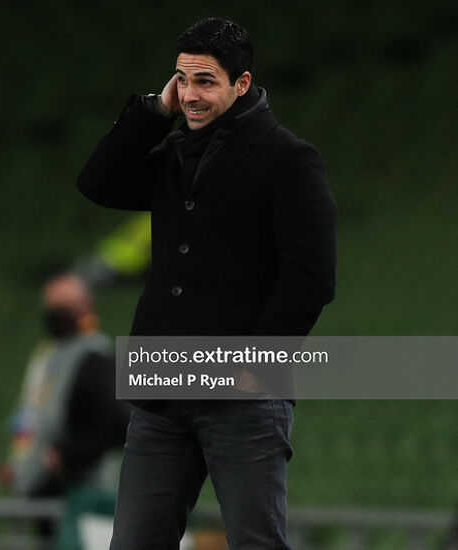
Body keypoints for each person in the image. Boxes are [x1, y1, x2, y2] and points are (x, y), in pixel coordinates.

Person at [76, 18, 336, 550]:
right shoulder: (173, 152)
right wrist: (155, 111)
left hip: (242, 395)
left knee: (255, 543)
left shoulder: (290, 161)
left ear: (242, 84)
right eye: (182, 79)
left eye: (205, 81)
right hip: (162, 390)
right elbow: (97, 181)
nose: (190, 95)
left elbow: (311, 278)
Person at [0, 273, 131, 537]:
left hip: (80, 495)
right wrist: (19, 462)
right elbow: (31, 415)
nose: (56, 316)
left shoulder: (93, 358)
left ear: (86, 306)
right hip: (45, 490)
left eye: (64, 308)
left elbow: (120, 422)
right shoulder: (49, 357)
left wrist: (66, 455)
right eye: (52, 309)